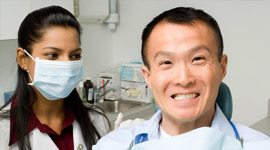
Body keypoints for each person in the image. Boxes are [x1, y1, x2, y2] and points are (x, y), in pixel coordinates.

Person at [94, 7, 270, 149]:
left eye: (198, 59)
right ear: (148, 76)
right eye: (166, 62)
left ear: (222, 68)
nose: (184, 79)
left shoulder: (259, 145)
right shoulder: (113, 145)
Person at [0, 5, 109, 150]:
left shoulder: (96, 120)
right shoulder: (3, 131)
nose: (67, 65)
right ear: (23, 59)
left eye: (75, 55)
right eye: (52, 55)